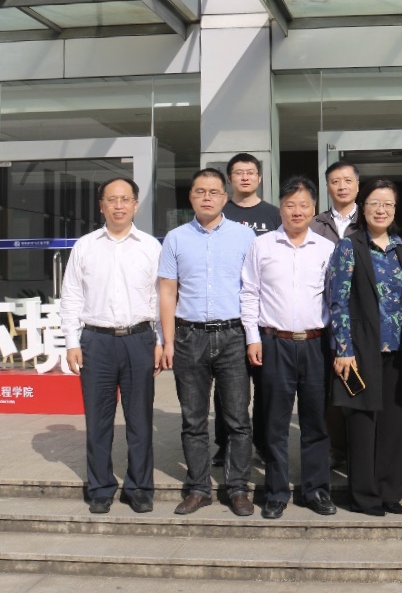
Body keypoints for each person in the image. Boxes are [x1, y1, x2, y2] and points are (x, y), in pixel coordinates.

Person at [60, 177, 162, 515]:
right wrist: (72, 341)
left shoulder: (150, 247)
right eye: (112, 199)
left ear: (135, 204)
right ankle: (100, 487)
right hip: (96, 341)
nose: (119, 205)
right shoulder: (85, 246)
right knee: (98, 420)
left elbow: (159, 297)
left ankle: (139, 488)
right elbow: (71, 295)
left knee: (139, 420)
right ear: (101, 205)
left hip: (139, 339)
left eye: (125, 199)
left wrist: (161, 340)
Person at [158, 168, 257, 517]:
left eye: (214, 192)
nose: (207, 197)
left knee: (237, 418)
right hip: (189, 336)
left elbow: (253, 289)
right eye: (200, 191)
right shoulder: (175, 238)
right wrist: (167, 340)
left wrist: (253, 337)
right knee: (193, 419)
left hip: (233, 335)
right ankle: (199, 488)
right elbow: (167, 291)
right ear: (191, 196)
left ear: (225, 198)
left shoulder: (245, 237)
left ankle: (238, 488)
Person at [240, 175, 336, 520]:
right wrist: (252, 337)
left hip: (316, 344)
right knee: (274, 424)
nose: (297, 211)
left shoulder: (326, 248)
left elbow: (335, 299)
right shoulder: (262, 246)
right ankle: (276, 493)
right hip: (274, 343)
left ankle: (316, 490)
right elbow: (249, 292)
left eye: (304, 205)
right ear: (280, 209)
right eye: (290, 204)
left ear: (314, 209)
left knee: (316, 423)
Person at [327, 179, 402, 516]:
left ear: (395, 210)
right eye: (374, 203)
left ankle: (390, 490)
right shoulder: (349, 247)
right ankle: (364, 496)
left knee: (395, 422)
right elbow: (338, 301)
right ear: (363, 209)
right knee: (363, 424)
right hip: (361, 350)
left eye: (388, 204)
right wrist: (343, 348)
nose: (381, 210)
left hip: (399, 351)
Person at [215, 153, 279, 466]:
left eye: (250, 172)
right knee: (227, 388)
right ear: (230, 178)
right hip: (227, 314)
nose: (245, 177)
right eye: (238, 173)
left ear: (259, 178)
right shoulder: (219, 212)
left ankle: (264, 444)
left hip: (266, 315)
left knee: (266, 386)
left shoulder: (274, 215)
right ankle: (225, 444)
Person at [310, 160, 361, 470]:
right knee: (330, 388)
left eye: (347, 180)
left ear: (357, 185)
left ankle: (360, 447)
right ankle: (336, 448)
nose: (342, 186)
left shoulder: (369, 220)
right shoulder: (315, 224)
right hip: (324, 318)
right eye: (335, 181)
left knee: (358, 384)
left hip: (362, 319)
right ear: (327, 187)